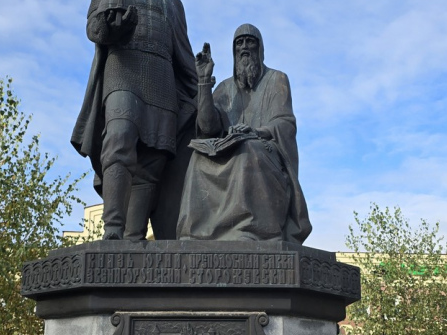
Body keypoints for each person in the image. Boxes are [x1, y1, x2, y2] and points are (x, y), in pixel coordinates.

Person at [71, 0, 197, 240]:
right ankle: (113, 229)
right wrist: (112, 27)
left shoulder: (174, 3)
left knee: (152, 160)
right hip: (123, 68)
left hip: (162, 78)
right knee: (119, 135)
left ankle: (134, 237)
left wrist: (200, 89)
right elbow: (94, 28)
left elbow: (182, 49)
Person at [177, 24, 312, 244]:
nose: (244, 47)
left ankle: (250, 229)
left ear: (260, 48)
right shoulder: (224, 88)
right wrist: (204, 82)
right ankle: (195, 233)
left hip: (265, 153)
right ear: (233, 50)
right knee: (198, 158)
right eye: (239, 43)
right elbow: (208, 128)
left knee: (247, 148)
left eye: (250, 41)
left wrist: (256, 132)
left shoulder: (277, 79)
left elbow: (285, 122)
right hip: (229, 150)